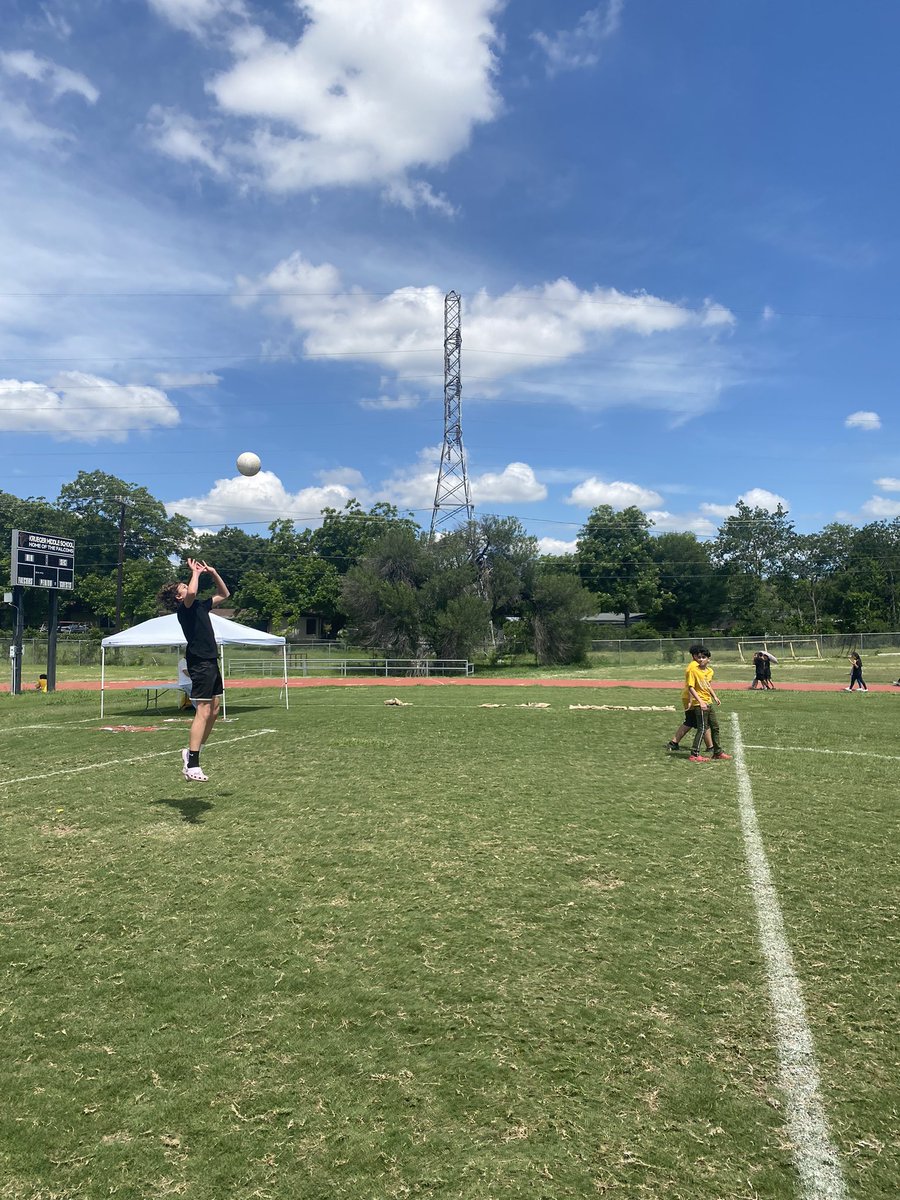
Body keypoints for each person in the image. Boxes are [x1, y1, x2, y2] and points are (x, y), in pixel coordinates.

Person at [157, 559, 230, 781]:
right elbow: (192, 592)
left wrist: (214, 572)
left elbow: (225, 594)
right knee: (204, 710)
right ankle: (193, 764)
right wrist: (196, 573)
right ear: (179, 597)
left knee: (215, 710)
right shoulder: (185, 608)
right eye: (184, 587)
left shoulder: (200, 605)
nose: (188, 587)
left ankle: (191, 753)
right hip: (199, 662)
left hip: (211, 660)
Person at [666, 644, 732, 762]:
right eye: (699, 657)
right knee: (701, 727)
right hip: (698, 702)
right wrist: (696, 701)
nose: (700, 659)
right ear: (695, 656)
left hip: (708, 701)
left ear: (708, 659)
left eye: (703, 657)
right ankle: (694, 754)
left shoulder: (710, 671)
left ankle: (717, 752)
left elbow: (707, 685)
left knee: (714, 727)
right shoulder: (693, 669)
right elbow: (691, 687)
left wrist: (715, 696)